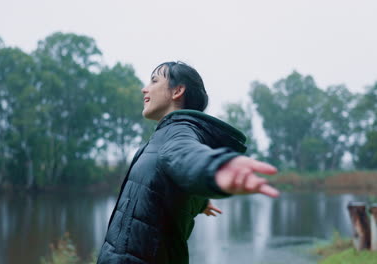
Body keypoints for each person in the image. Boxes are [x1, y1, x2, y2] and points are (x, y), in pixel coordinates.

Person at [96, 61, 280, 264]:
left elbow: (187, 156)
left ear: (178, 91)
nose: (144, 89)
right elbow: (168, 180)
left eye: (154, 80)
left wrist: (215, 168)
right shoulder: (162, 136)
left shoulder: (177, 132)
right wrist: (198, 201)